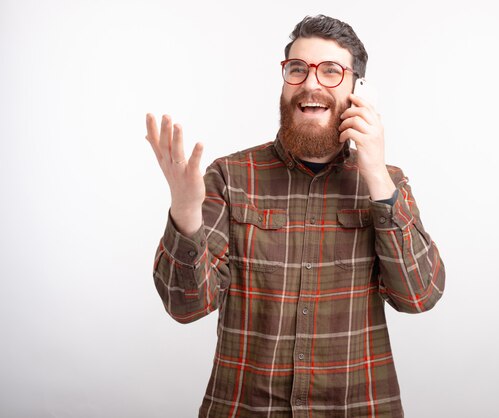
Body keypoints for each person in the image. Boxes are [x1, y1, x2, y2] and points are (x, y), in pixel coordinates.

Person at [145, 14, 445, 418]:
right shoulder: (230, 177)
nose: (310, 83)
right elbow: (187, 306)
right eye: (298, 69)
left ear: (359, 90)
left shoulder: (387, 184)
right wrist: (185, 213)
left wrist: (375, 173)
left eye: (331, 71)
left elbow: (419, 295)